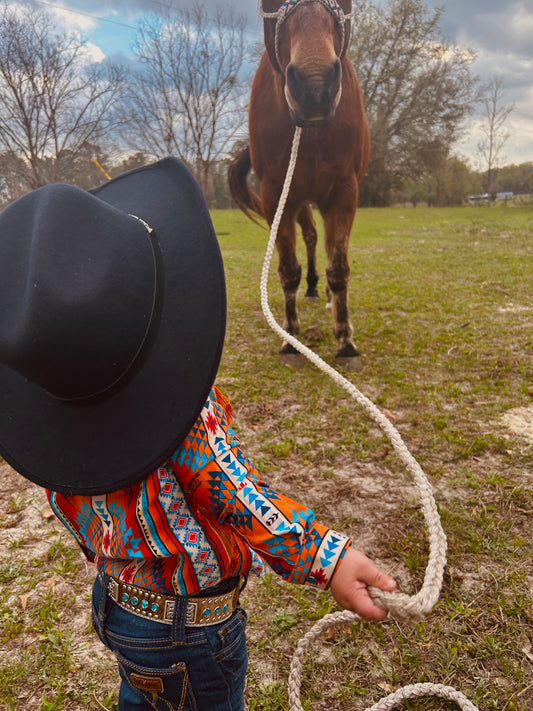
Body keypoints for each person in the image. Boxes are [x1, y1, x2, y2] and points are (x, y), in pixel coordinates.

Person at [0, 158, 396, 711]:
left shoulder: (62, 430)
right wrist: (327, 559)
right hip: (188, 628)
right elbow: (235, 491)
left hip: (121, 606)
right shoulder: (185, 415)